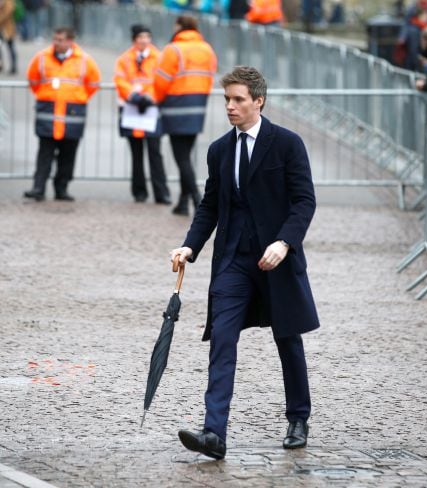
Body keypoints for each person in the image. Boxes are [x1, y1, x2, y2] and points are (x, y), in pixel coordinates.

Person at [169, 66, 319, 460]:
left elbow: (305, 201)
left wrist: (285, 242)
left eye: (238, 99)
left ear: (258, 100)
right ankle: (213, 433)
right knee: (222, 338)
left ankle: (298, 418)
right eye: (226, 100)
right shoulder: (219, 150)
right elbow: (210, 207)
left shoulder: (287, 144)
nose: (230, 107)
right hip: (233, 260)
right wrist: (189, 247)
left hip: (277, 260)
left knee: (287, 338)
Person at [24, 27, 100, 202]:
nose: (56, 43)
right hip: (48, 113)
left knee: (68, 154)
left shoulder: (84, 60)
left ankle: (62, 188)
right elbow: (33, 80)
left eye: (60, 40)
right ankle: (38, 188)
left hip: (72, 114)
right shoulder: (42, 57)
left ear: (70, 41)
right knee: (45, 153)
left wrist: (77, 97)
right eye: (55, 39)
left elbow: (93, 84)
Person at [154, 15, 217, 216]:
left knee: (181, 157)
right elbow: (211, 75)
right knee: (186, 155)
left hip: (176, 105)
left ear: (179, 26)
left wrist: (156, 99)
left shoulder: (173, 49)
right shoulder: (207, 49)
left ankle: (197, 199)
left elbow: (161, 80)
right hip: (198, 105)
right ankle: (182, 202)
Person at [114, 24, 171, 204]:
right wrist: (134, 96)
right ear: (134, 39)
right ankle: (139, 192)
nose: (144, 40)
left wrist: (150, 97)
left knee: (155, 152)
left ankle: (161, 193)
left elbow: (162, 80)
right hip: (132, 109)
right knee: (136, 153)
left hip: (151, 109)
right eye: (140, 37)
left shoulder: (160, 57)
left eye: (147, 37)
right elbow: (120, 80)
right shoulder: (124, 59)